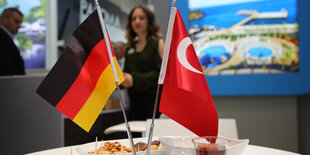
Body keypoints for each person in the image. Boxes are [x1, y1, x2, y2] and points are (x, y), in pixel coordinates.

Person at [121, 5, 164, 121]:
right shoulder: (129, 47)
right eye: (134, 18)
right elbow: (127, 73)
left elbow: (161, 76)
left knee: (152, 138)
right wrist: (122, 79)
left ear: (149, 21)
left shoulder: (158, 43)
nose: (137, 21)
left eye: (141, 18)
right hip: (134, 104)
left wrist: (133, 79)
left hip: (153, 104)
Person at [0, 8, 25, 76]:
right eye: (16, 21)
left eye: (20, 22)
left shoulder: (6, 37)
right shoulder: (2, 38)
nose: (19, 26)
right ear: (3, 19)